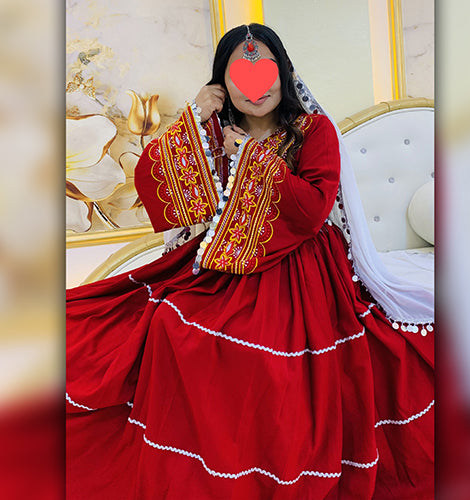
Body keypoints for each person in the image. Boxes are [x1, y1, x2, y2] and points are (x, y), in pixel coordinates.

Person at [66, 23, 434, 499]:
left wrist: (251, 157)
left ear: (284, 74)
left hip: (300, 263)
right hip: (225, 257)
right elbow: (156, 178)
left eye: (266, 72)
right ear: (222, 83)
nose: (255, 87)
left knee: (256, 353)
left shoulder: (312, 130)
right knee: (165, 323)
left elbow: (312, 208)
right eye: (240, 75)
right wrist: (195, 115)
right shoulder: (213, 131)